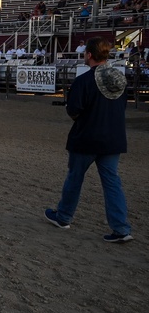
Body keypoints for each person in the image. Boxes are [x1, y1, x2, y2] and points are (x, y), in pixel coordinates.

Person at [44, 37, 133, 243]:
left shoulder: (84, 81)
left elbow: (74, 111)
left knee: (75, 178)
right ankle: (120, 227)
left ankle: (64, 217)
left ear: (90, 55)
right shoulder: (119, 80)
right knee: (112, 183)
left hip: (86, 138)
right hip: (113, 139)